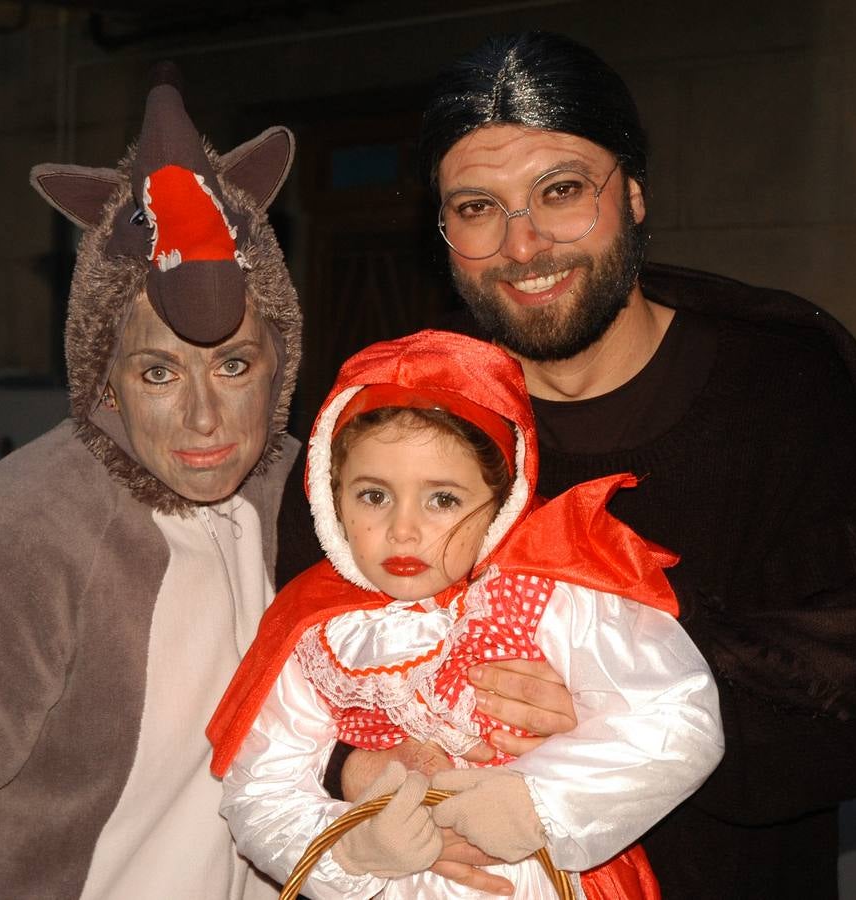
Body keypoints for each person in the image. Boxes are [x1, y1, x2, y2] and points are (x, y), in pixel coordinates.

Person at [275, 31, 856, 899]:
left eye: (561, 191)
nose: (523, 243)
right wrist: (357, 765)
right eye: (476, 208)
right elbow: (298, 645)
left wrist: (618, 714)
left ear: (635, 194)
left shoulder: (788, 394)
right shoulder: (397, 410)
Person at [0, 67, 302, 898]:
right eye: (158, 373)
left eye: (232, 365)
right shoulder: (27, 531)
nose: (202, 421)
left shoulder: (310, 495)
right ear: (103, 377)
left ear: (278, 364)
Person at [208, 329, 723, 899]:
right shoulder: (313, 631)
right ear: (332, 497)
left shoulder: (549, 593)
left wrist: (539, 803)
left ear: (501, 504)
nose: (403, 529)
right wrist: (350, 850)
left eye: (443, 499)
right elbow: (259, 788)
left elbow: (674, 715)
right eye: (374, 496)